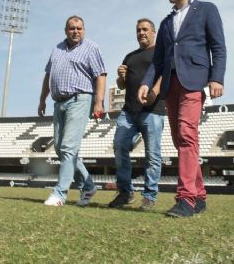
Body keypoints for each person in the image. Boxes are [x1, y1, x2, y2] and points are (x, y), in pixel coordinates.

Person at [138, 0, 226, 218]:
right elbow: (157, 60)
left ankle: (185, 198)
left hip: (194, 82)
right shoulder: (166, 22)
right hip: (170, 86)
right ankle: (199, 196)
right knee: (180, 141)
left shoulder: (207, 9)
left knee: (187, 135)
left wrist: (216, 77)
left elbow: (218, 46)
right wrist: (146, 83)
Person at [38, 15, 107, 206]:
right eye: (72, 28)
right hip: (59, 102)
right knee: (61, 149)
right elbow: (48, 76)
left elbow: (100, 75)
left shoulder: (91, 47)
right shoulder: (57, 49)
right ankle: (89, 186)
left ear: (84, 30)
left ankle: (60, 194)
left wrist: (99, 101)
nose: (76, 31)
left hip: (80, 99)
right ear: (65, 30)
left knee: (69, 147)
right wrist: (42, 99)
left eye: (79, 28)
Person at [109, 19, 165, 211]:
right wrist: (121, 75)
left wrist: (154, 93)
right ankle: (125, 193)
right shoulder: (130, 56)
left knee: (153, 155)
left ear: (153, 32)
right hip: (129, 111)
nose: (141, 33)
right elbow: (122, 85)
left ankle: (149, 197)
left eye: (145, 29)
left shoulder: (161, 52)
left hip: (152, 110)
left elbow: (165, 75)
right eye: (138, 30)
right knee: (119, 146)